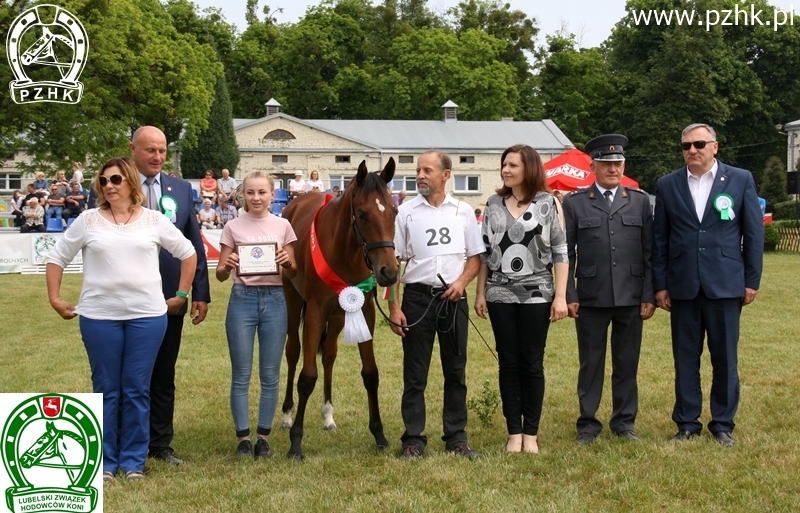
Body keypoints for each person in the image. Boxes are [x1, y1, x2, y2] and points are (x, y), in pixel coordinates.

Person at [45, 156, 197, 482]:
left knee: (138, 389)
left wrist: (182, 295)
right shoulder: (87, 220)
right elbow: (56, 258)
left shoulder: (154, 220)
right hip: (99, 317)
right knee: (105, 389)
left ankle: (132, 462)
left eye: (115, 180)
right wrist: (55, 298)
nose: (108, 186)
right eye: (103, 181)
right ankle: (104, 462)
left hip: (148, 317)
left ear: (130, 182)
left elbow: (188, 252)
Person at [653, 123, 763, 448]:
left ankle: (722, 424)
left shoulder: (740, 179)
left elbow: (753, 234)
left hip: (726, 283)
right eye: (686, 146)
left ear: (715, 146)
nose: (692, 150)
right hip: (683, 285)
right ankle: (687, 423)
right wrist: (660, 284)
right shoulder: (668, 184)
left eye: (699, 144)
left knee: (725, 358)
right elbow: (660, 238)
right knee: (685, 358)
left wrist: (751, 279)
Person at [473, 144, 569, 454]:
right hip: (499, 293)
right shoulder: (492, 203)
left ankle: (532, 433)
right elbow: (486, 255)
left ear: (529, 168)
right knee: (508, 363)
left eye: (513, 165)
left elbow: (561, 253)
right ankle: (514, 432)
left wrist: (561, 297)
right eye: (504, 164)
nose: (506, 170)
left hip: (538, 294)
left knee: (532, 363)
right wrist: (480, 294)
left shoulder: (549, 204)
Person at [389, 150, 483, 461]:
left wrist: (461, 283)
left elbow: (475, 257)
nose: (420, 176)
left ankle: (456, 436)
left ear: (445, 175)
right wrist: (394, 308)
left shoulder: (463, 211)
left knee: (456, 371)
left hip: (453, 299)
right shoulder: (405, 213)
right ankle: (413, 439)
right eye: (418, 170)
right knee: (415, 374)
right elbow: (395, 263)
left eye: (427, 170)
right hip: (417, 299)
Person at [561, 134, 655, 446]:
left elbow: (648, 252)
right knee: (591, 363)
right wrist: (569, 294)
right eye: (606, 163)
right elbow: (567, 253)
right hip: (591, 296)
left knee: (627, 362)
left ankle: (624, 423)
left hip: (630, 295)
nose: (612, 168)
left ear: (623, 165)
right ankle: (588, 425)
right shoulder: (575, 203)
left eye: (617, 163)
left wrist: (648, 295)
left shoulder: (639, 201)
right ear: (594, 166)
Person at [129, 126, 211, 465]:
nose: (157, 157)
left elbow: (194, 243)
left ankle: (160, 446)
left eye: (162, 151)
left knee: (164, 374)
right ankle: (126, 441)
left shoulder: (180, 188)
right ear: (133, 149)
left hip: (170, 298)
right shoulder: (114, 184)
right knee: (131, 376)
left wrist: (200, 292)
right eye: (150, 150)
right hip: (128, 298)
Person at [215, 171, 297, 458]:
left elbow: (294, 269)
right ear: (242, 195)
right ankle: (242, 439)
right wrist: (227, 264)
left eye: (262, 192)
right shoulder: (233, 227)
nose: (256, 198)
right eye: (250, 192)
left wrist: (288, 261)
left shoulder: (283, 225)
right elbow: (221, 275)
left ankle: (263, 436)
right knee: (241, 374)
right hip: (242, 300)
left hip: (275, 300)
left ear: (272, 195)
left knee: (270, 374)